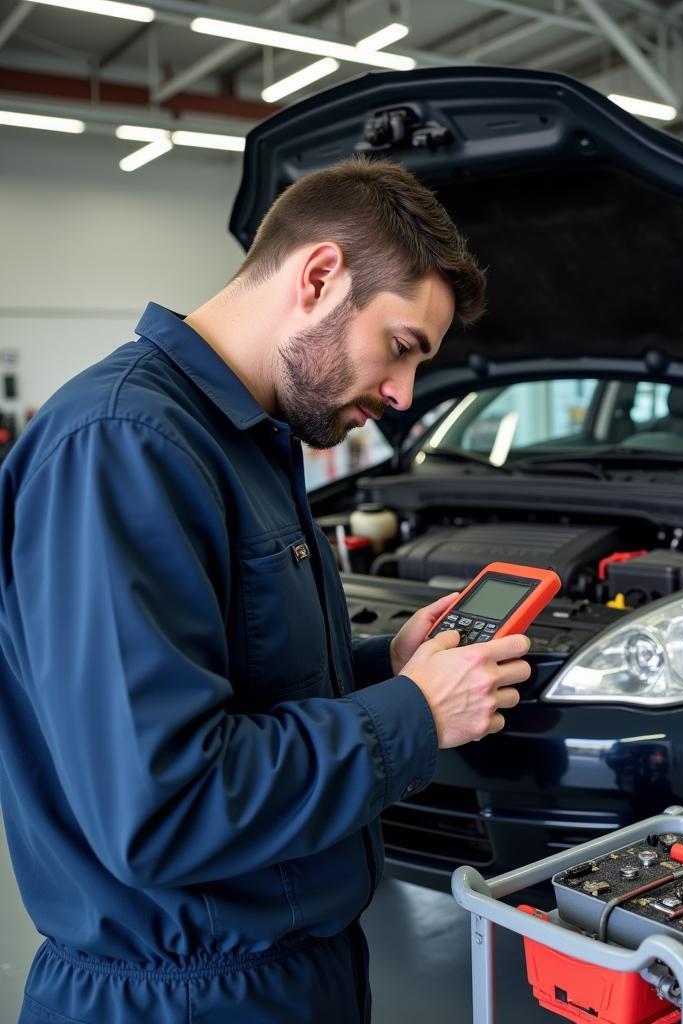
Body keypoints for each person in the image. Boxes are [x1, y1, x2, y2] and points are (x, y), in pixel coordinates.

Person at [0, 156, 531, 1024]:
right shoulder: (123, 449)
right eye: (401, 348)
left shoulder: (248, 443)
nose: (402, 396)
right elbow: (162, 803)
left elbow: (239, 684)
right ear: (319, 277)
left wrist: (383, 668)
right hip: (180, 999)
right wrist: (414, 715)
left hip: (287, 972)